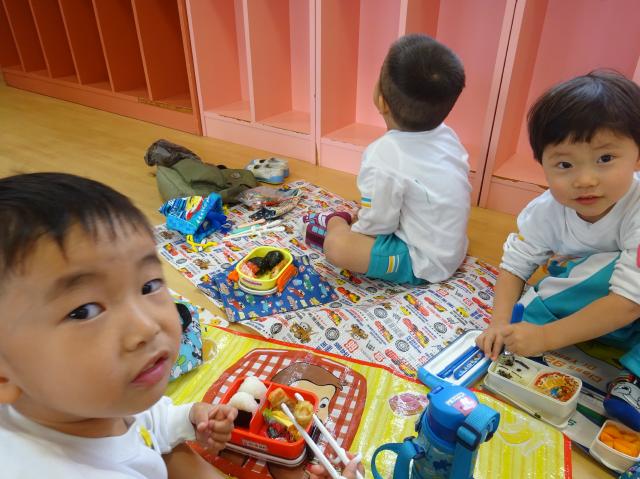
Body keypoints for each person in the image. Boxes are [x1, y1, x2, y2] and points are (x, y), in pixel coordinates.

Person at [0, 173, 237, 477]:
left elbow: (143, 420)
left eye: (148, 285)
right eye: (84, 311)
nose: (146, 327)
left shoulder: (99, 401)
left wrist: (188, 418)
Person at [475, 70, 640, 430]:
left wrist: (546, 338)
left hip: (630, 306)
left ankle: (634, 381)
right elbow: (515, 265)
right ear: (543, 166)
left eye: (605, 159)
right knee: (531, 312)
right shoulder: (546, 210)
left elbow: (629, 302)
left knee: (606, 270)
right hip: (584, 302)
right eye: (565, 165)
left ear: (637, 156)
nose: (585, 180)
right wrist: (500, 323)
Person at [302, 33, 470, 284]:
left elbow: (378, 226)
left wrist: (350, 229)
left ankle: (335, 221)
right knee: (378, 206)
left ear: (381, 101)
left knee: (338, 246)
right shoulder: (448, 135)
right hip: (452, 247)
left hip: (422, 261)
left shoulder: (383, 155)